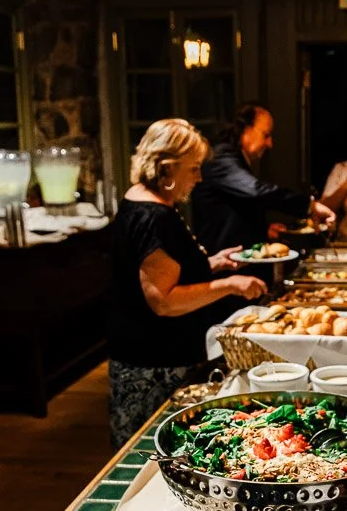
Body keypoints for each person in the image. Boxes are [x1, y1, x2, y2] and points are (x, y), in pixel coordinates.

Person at [108, 118, 267, 448]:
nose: (199, 176)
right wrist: (230, 284)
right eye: (193, 168)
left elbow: (162, 270)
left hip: (153, 355)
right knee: (151, 455)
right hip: (153, 366)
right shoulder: (153, 216)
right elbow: (163, 301)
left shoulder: (147, 202)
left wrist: (213, 263)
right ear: (167, 168)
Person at [192, 102, 335, 253]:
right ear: (245, 129)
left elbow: (233, 209)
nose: (270, 143)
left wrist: (263, 229)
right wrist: (309, 205)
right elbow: (256, 190)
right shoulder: (221, 158)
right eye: (266, 135)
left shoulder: (232, 157)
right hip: (221, 264)